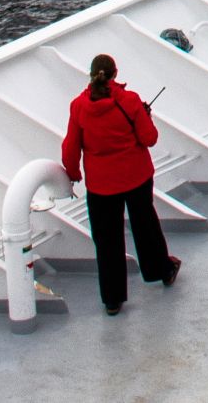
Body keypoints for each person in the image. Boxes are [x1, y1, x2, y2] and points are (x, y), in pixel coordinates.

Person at [60, 53, 178, 314]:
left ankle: (113, 299)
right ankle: (163, 270)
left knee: (107, 240)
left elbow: (71, 146)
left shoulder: (78, 107)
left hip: (101, 185)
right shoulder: (129, 101)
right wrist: (146, 117)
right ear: (115, 73)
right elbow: (149, 138)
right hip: (136, 177)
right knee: (145, 225)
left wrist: (74, 173)